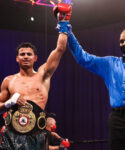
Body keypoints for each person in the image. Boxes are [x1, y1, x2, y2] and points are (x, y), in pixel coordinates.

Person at [0, 3, 72, 150]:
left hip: (37, 136)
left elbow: (60, 49)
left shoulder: (43, 74)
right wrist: (8, 104)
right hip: (11, 136)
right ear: (17, 58)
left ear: (35, 58)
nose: (25, 57)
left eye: (29, 54)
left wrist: (64, 22)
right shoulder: (9, 80)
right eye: (22, 54)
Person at [67, 26, 125, 150]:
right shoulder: (110, 64)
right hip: (117, 119)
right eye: (121, 41)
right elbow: (83, 58)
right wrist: (68, 33)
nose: (124, 44)